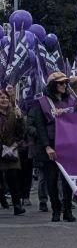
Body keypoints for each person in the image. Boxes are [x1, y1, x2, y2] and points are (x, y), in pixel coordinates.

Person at [30, 72, 77, 222]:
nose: (64, 85)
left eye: (65, 83)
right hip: (50, 145)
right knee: (51, 179)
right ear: (53, 85)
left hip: (68, 145)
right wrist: (46, 146)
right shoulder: (41, 102)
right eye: (61, 83)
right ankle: (55, 209)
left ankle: (68, 210)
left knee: (67, 180)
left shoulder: (71, 101)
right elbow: (39, 126)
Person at [0, 87, 26, 216]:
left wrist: (20, 118)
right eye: (1, 97)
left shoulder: (14, 113)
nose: (3, 99)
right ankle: (3, 200)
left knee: (13, 179)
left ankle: (17, 205)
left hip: (11, 150)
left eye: (5, 97)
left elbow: (21, 132)